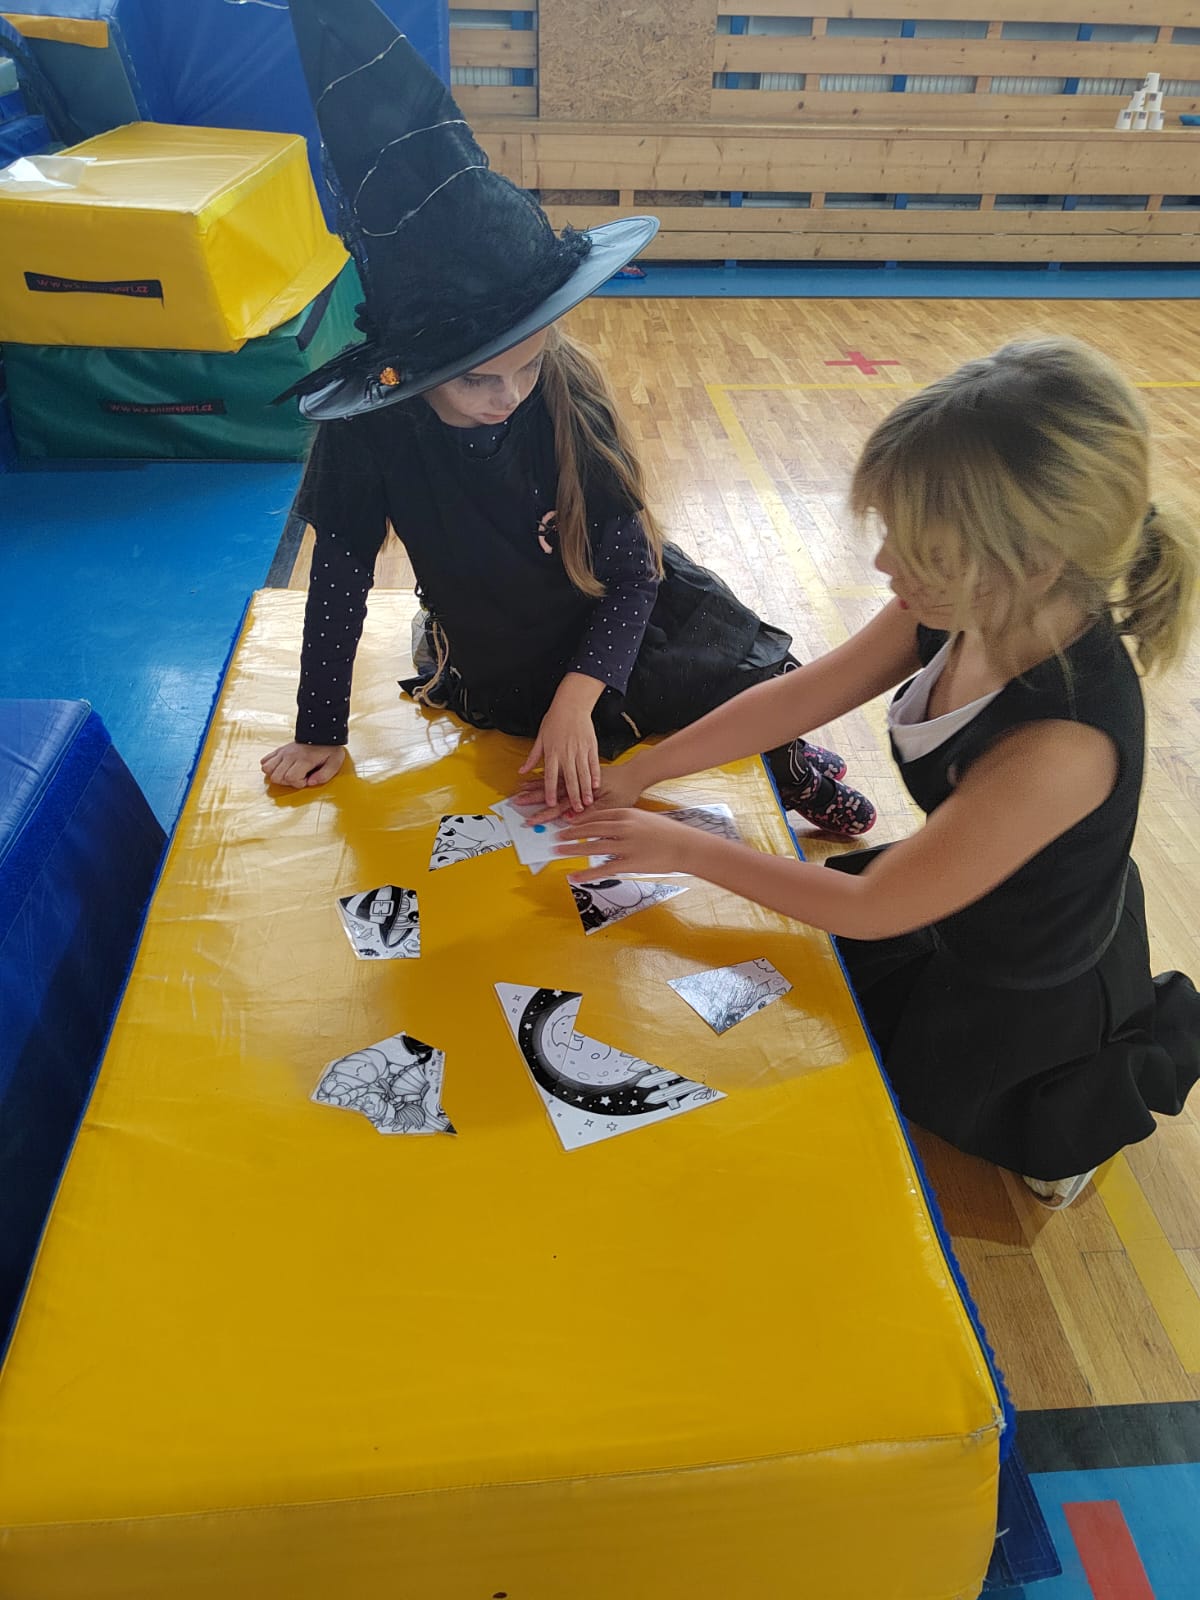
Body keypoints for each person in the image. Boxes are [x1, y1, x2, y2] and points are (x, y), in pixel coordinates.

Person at [554, 335, 1200, 1209]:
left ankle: (1071, 1115)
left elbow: (875, 907)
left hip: (1024, 967)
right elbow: (800, 695)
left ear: (1029, 565)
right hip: (960, 888)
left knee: (956, 1103)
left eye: (917, 546)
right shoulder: (964, 601)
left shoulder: (1065, 743)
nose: (885, 564)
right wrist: (646, 768)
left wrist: (685, 848)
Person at [260, 0, 875, 837]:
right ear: (414, 370)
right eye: (478, 380)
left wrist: (579, 698)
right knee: (538, 733)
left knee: (738, 680)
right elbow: (338, 578)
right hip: (499, 642)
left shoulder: (566, 398)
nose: (509, 395)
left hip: (615, 610)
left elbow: (634, 575)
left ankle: (791, 763)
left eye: (529, 364)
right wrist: (319, 727)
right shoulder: (366, 432)